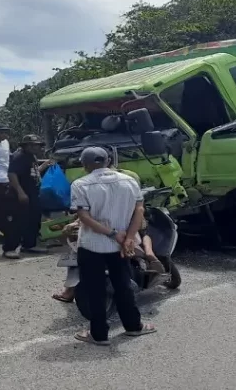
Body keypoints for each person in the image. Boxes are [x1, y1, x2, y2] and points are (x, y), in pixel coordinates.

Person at [71, 146, 156, 345]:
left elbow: (83, 216)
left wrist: (112, 234)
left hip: (92, 245)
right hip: (122, 246)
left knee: (95, 289)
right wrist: (129, 238)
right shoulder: (129, 181)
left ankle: (99, 335)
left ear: (84, 165)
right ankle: (134, 326)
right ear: (108, 161)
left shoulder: (80, 184)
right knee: (123, 285)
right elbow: (139, 210)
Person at [4, 134, 46, 259]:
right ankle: (9, 248)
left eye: (37, 145)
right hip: (21, 193)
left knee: (33, 219)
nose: (36, 147)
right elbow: (12, 174)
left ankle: (29, 244)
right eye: (33, 145)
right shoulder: (19, 157)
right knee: (17, 222)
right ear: (26, 145)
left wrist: (45, 165)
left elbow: (33, 171)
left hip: (32, 193)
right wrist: (20, 192)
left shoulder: (31, 157)